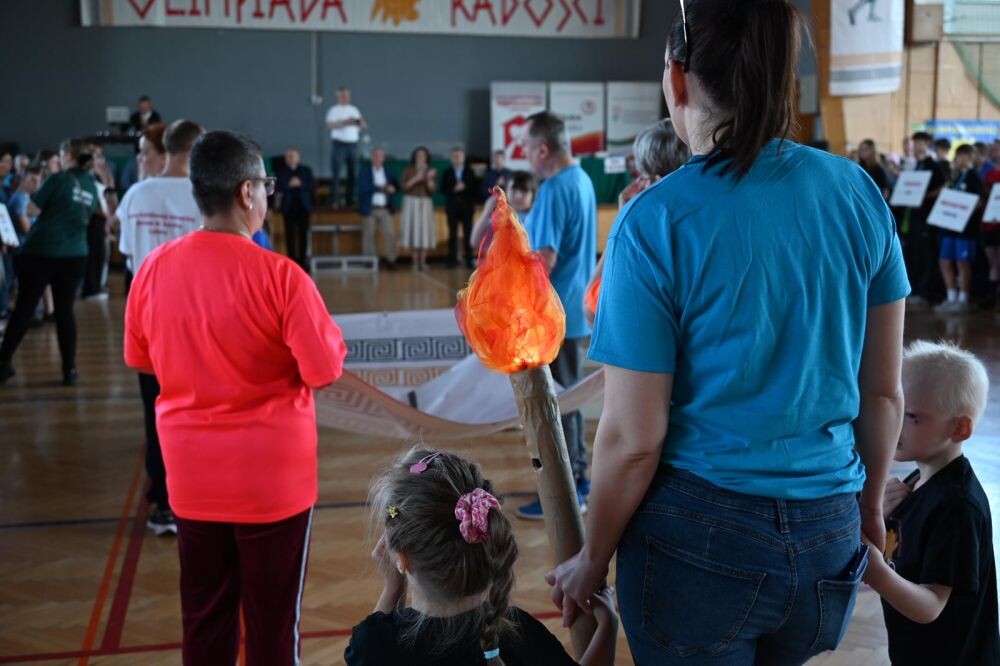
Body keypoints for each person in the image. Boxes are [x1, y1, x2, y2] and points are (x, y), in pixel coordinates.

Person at [545, 2, 910, 664]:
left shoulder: (655, 222)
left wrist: (591, 557)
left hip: (701, 541)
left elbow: (632, 438)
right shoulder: (857, 194)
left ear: (677, 81)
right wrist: (866, 510)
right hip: (829, 528)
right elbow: (882, 393)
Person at [124, 130, 347, 664]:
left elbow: (142, 360)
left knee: (204, 621)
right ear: (247, 193)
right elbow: (323, 371)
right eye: (266, 185)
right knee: (272, 628)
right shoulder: (281, 277)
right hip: (272, 483)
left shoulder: (152, 269)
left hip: (192, 478)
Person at [345, 448, 619, 666]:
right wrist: (607, 626)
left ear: (402, 559)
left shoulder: (375, 644)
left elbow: (367, 648)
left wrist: (393, 589)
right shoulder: (520, 633)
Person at [864, 341, 997, 666]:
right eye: (897, 408)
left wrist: (874, 571)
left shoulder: (956, 507)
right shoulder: (916, 483)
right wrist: (881, 516)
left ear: (959, 428)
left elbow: (929, 606)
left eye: (911, 416)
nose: (895, 423)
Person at [118, 119, 205, 536]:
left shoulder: (135, 195)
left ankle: (163, 503)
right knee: (198, 410)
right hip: (193, 321)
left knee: (156, 411)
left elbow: (127, 255)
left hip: (146, 319)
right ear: (193, 150)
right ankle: (194, 495)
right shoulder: (203, 197)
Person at [515, 111, 596, 520]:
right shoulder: (581, 179)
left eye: (527, 148)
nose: (525, 155)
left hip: (553, 319)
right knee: (569, 402)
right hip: (573, 313)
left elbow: (542, 261)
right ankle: (579, 483)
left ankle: (572, 490)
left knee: (558, 407)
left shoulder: (552, 190)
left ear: (542, 149)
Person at [0, 139, 100, 386]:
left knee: (24, 307)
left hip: (42, 251)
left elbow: (32, 210)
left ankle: (2, 363)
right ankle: (70, 370)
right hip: (76, 253)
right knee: (65, 312)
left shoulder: (59, 179)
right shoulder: (91, 184)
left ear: (70, 155)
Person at [584, 119, 690, 325]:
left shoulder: (641, 236)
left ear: (654, 181)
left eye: (641, 176)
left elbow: (592, 309)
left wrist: (622, 220)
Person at [934, 144, 982, 314]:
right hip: (949, 226)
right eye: (958, 156)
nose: (959, 159)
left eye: (963, 156)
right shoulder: (955, 177)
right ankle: (951, 296)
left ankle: (963, 299)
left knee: (963, 263)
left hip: (965, 229)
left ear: (971, 157)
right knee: (944, 261)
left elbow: (978, 203)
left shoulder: (974, 178)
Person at [903, 131, 947, 307]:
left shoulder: (933, 165)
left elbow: (942, 187)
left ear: (928, 144)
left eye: (920, 142)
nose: (916, 146)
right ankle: (916, 290)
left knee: (927, 255)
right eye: (915, 142)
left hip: (927, 218)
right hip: (914, 216)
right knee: (915, 253)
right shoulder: (917, 165)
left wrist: (925, 196)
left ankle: (927, 292)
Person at [1, 166, 41, 321]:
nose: (36, 184)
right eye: (32, 180)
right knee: (19, 284)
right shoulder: (20, 199)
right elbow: (27, 228)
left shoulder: (26, 198)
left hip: (24, 248)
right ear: (21, 180)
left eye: (38, 180)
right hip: (21, 249)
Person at [471, 170, 536, 253]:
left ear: (533, 194)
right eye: (514, 189)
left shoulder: (537, 219)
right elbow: (474, 242)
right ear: (505, 191)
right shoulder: (499, 216)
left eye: (524, 191)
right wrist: (486, 212)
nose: (518, 195)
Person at [358, 147, 399, 268]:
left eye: (380, 156)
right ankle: (370, 261)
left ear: (383, 158)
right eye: (375, 155)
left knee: (390, 234)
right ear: (371, 157)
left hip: (384, 208)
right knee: (369, 236)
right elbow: (363, 187)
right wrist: (381, 188)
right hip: (369, 208)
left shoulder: (388, 171)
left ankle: (391, 260)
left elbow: (396, 186)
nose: (377, 158)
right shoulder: (365, 171)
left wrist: (391, 189)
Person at [275, 148, 315, 271]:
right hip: (289, 207)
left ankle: (303, 261)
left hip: (303, 207)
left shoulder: (306, 170)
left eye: (293, 156)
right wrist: (289, 184)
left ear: (298, 158)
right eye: (288, 156)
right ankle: (292, 261)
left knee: (303, 235)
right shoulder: (281, 171)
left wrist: (300, 184)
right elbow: (278, 187)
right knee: (290, 235)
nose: (290, 158)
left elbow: (312, 185)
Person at [326, 87, 366, 208]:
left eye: (347, 95)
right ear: (338, 96)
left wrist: (357, 122)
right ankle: (335, 199)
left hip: (352, 144)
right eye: (343, 95)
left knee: (353, 173)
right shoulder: (334, 110)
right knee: (336, 173)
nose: (345, 97)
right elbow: (330, 125)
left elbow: (363, 125)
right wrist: (345, 122)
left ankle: (351, 199)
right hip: (339, 144)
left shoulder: (354, 109)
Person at [399, 146, 437, 271]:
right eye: (418, 155)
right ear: (414, 157)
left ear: (426, 157)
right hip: (411, 202)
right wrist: (417, 178)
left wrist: (426, 178)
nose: (420, 158)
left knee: (425, 231)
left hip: (425, 201)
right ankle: (414, 262)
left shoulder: (431, 170)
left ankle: (423, 261)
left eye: (423, 155)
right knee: (413, 231)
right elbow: (404, 187)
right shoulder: (409, 169)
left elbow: (432, 189)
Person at [441, 146, 479, 268]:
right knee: (452, 234)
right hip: (452, 207)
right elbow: (442, 189)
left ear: (463, 158)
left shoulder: (470, 172)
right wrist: (454, 189)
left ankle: (469, 259)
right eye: (455, 156)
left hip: (467, 207)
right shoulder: (447, 172)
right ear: (451, 158)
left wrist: (465, 187)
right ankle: (452, 260)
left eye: (459, 156)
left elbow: (475, 189)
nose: (457, 158)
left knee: (468, 233)